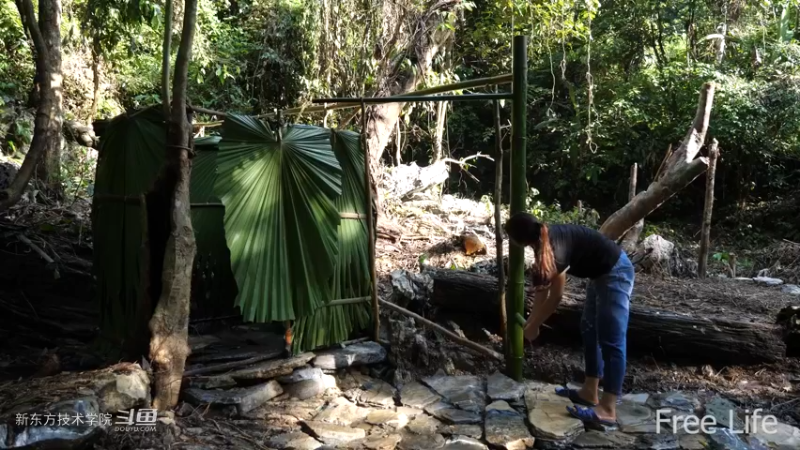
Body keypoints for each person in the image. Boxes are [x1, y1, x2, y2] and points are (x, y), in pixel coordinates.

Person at [503, 212, 635, 428]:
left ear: (519, 241)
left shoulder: (554, 247)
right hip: (599, 274)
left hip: (615, 271)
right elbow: (540, 293)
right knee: (589, 328)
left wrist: (534, 325)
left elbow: (555, 297)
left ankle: (608, 409)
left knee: (611, 339)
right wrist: (531, 323)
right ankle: (589, 391)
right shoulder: (542, 243)